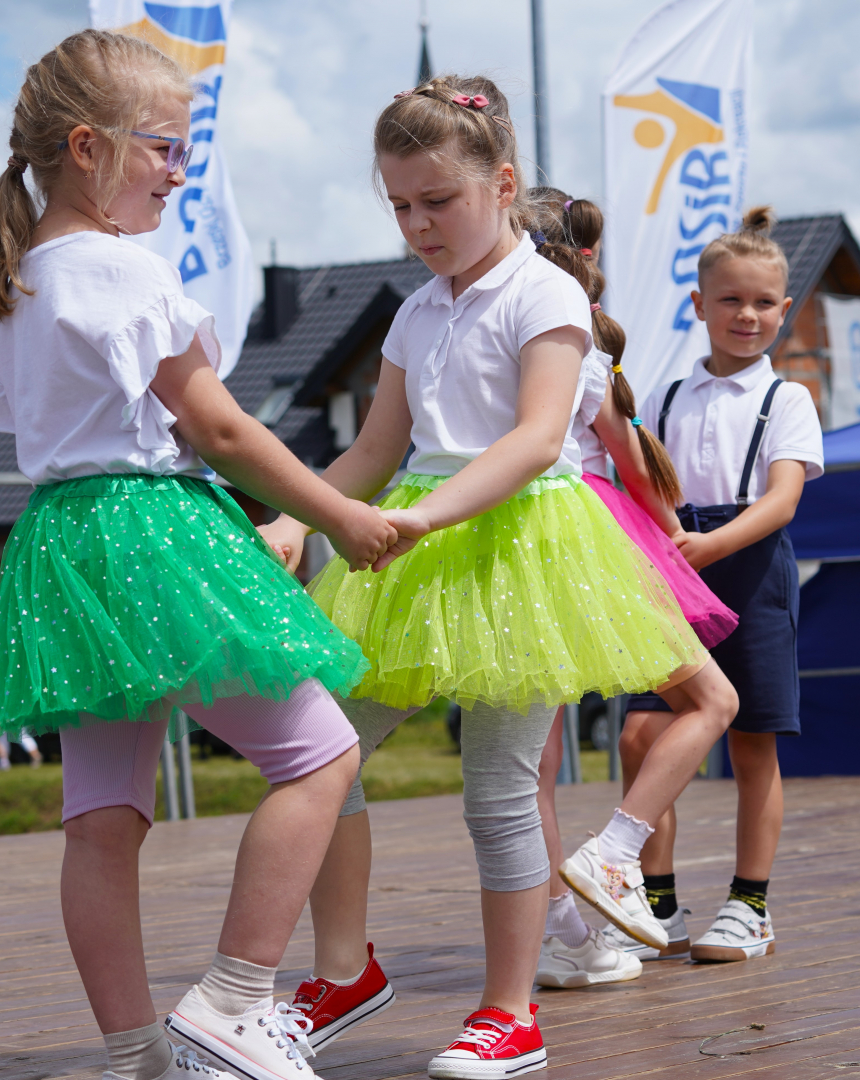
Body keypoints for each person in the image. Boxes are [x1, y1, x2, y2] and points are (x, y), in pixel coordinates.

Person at [0, 30, 397, 1080]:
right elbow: (221, 429)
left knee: (100, 819)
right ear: (87, 147)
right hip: (152, 530)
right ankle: (235, 1000)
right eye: (164, 148)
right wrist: (336, 514)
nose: (179, 170)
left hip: (65, 540)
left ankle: (136, 1054)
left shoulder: (22, 280)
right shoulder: (122, 268)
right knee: (320, 756)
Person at [256, 76, 708, 1080]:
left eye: (437, 201)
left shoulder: (547, 294)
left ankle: (510, 1015)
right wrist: (294, 518)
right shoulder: (413, 313)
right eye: (399, 206)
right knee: (320, 747)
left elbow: (538, 438)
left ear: (502, 186)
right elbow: (372, 450)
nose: (418, 225)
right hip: (417, 548)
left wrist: (422, 515)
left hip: (519, 546)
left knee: (498, 787)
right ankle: (344, 972)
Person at [526, 192, 741, 986]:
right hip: (583, 538)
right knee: (713, 701)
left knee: (531, 767)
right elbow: (630, 460)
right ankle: (616, 849)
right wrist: (673, 532)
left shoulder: (491, 330)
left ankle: (561, 934)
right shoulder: (577, 346)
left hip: (503, 544)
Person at [617, 206, 825, 964]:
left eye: (764, 302)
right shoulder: (664, 397)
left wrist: (707, 546)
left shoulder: (787, 398)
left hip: (750, 566)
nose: (748, 315)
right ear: (698, 304)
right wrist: (670, 545)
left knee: (752, 743)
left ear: (785, 309)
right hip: (672, 565)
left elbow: (783, 500)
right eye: (731, 300)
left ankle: (751, 906)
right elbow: (639, 483)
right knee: (640, 735)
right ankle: (658, 904)